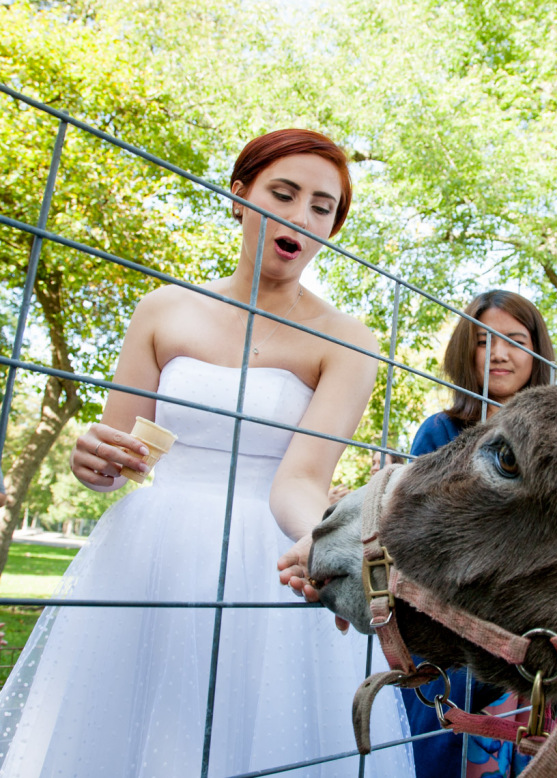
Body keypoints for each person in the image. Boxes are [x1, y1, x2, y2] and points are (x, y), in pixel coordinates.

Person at [0, 129, 413, 777]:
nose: (301, 216)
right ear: (239, 196)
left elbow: (300, 481)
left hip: (269, 558)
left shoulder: (348, 341)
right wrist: (94, 461)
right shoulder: (162, 309)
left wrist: (322, 546)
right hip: (148, 553)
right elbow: (119, 457)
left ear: (332, 228)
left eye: (322, 207)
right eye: (284, 193)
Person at [401, 290, 557, 778]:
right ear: (465, 352)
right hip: (462, 639)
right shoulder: (440, 432)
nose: (500, 353)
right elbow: (419, 540)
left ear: (538, 352)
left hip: (546, 638)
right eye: (484, 340)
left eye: (515, 340)